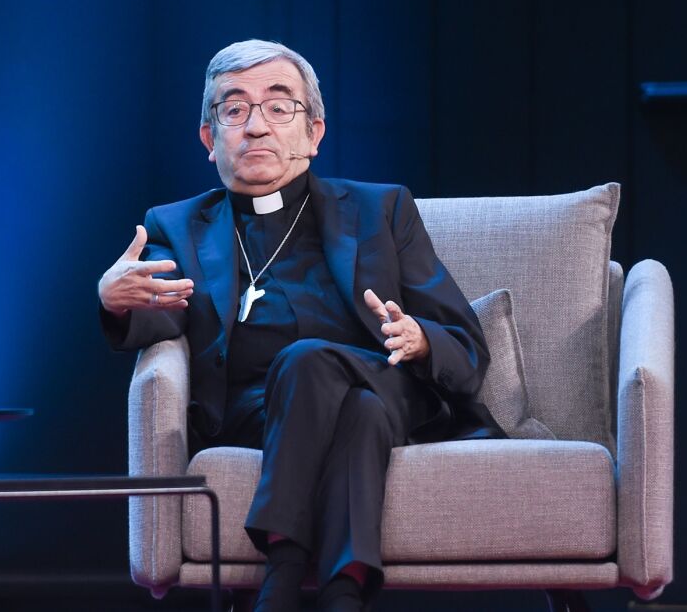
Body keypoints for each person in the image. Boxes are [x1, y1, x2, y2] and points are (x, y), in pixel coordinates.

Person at [99, 39, 503, 612]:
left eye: (278, 106)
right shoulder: (176, 226)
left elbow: (465, 344)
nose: (256, 126)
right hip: (256, 410)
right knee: (356, 411)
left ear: (314, 133)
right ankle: (343, 595)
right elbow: (160, 309)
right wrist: (115, 301)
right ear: (209, 139)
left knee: (312, 359)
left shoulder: (380, 210)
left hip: (388, 383)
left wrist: (418, 339)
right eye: (234, 109)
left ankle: (283, 576)